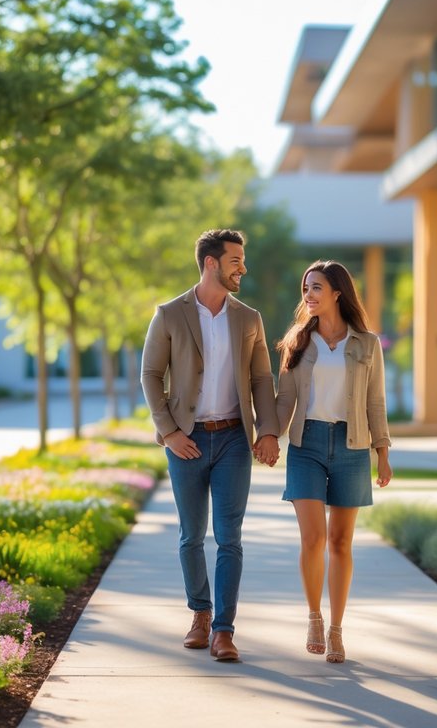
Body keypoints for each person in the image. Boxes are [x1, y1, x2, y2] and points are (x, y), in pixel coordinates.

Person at [141, 228, 281, 663]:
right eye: (236, 260)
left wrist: (269, 431)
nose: (244, 267)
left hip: (234, 440)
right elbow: (150, 375)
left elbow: (261, 378)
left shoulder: (249, 318)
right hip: (187, 439)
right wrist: (169, 432)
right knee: (190, 536)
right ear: (211, 263)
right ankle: (199, 615)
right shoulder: (169, 314)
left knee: (230, 538)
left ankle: (224, 630)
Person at [272, 259, 392, 664]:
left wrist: (383, 452)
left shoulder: (367, 344)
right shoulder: (298, 342)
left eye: (316, 287)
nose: (308, 295)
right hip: (306, 445)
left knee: (341, 542)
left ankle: (337, 629)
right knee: (314, 538)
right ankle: (313, 617)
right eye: (305, 288)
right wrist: (268, 435)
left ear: (337, 292)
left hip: (352, 445)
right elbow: (285, 398)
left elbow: (375, 401)